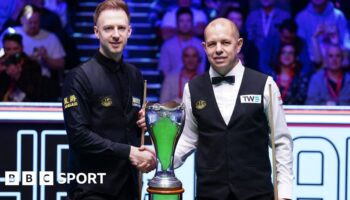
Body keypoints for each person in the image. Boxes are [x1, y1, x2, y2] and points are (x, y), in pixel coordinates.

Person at [174, 18, 293, 200]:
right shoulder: (192, 88)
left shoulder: (265, 85)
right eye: (212, 44)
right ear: (205, 48)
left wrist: (284, 193)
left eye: (225, 43)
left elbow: (281, 143)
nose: (218, 49)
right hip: (210, 194)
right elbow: (189, 139)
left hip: (257, 194)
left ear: (238, 45)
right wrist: (158, 160)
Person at [62, 0, 156, 199]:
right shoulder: (78, 76)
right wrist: (129, 152)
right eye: (108, 28)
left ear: (129, 31)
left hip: (129, 187)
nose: (115, 34)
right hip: (91, 190)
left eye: (121, 28)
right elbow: (78, 136)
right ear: (97, 32)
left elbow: (131, 126)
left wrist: (144, 119)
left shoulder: (135, 76)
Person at [158, 7, 206, 77]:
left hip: (195, 85)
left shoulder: (200, 45)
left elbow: (202, 70)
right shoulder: (167, 46)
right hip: (172, 85)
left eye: (188, 21)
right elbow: (164, 70)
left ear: (192, 23)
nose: (185, 24)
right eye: (181, 21)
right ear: (177, 23)